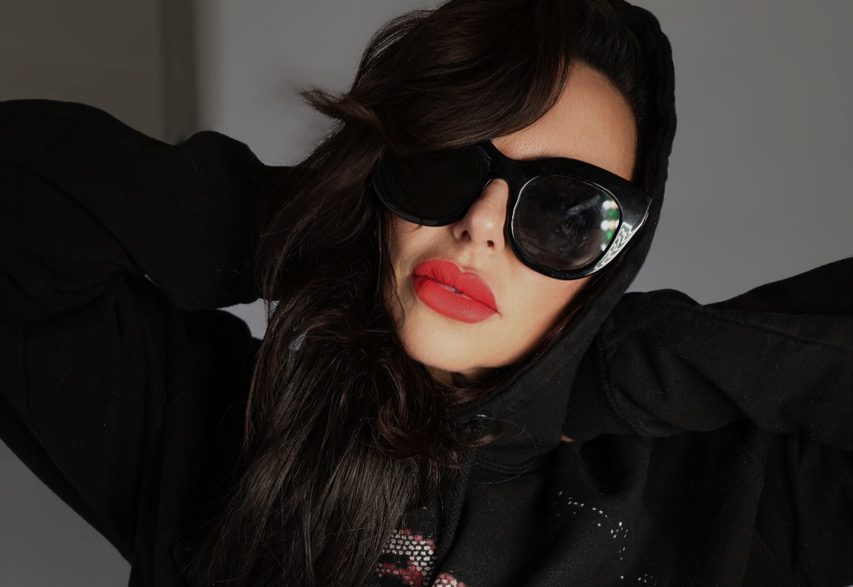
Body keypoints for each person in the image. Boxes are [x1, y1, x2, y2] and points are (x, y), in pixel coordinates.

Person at [0, 0, 850, 586]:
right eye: (447, 165)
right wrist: (316, 221)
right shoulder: (227, 427)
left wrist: (622, 361)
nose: (479, 222)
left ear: (612, 263)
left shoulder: (723, 499)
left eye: (564, 212)